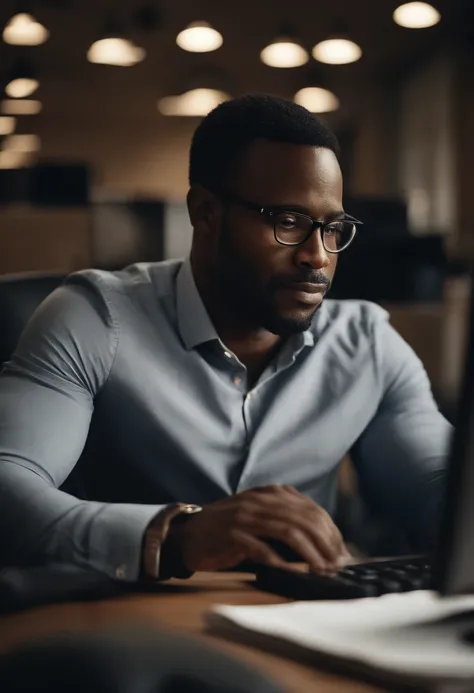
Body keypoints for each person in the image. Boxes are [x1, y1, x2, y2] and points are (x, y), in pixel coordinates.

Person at [0, 94, 451, 584]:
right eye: (288, 222)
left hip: (308, 624)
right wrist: (173, 537)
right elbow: (8, 486)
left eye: (333, 228)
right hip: (132, 625)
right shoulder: (94, 317)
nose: (317, 256)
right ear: (206, 213)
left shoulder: (366, 343)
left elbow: (440, 487)